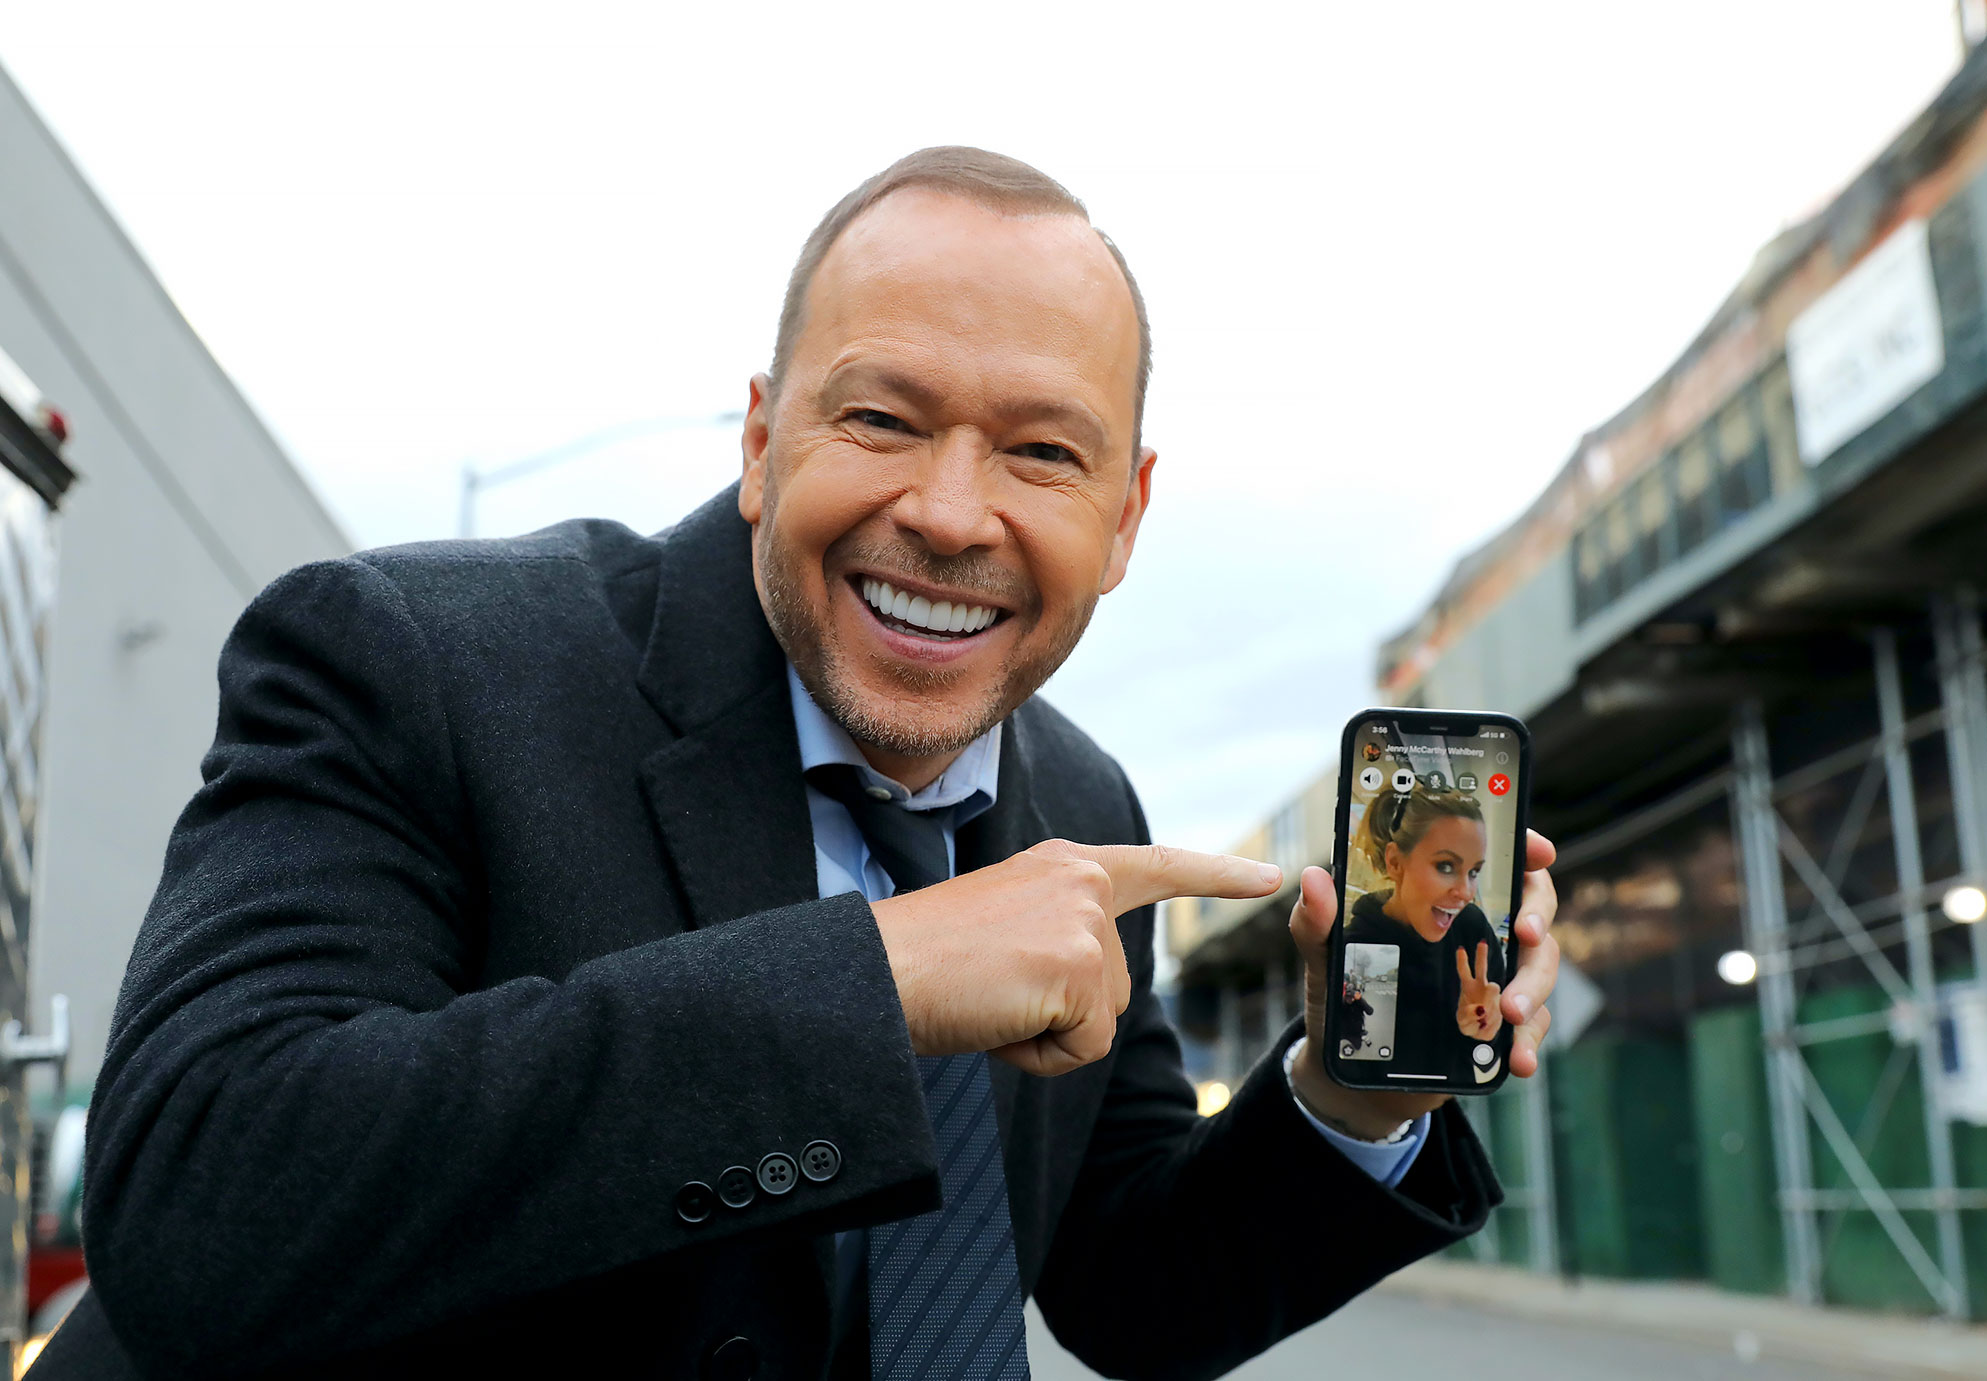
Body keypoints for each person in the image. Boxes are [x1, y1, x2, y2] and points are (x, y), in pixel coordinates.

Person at [47, 148, 1561, 1380]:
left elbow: (1133, 1295)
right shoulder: (412, 657)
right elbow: (202, 1206)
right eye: (883, 417)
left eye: (1043, 453)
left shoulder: (1084, 810)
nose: (955, 513)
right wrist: (880, 975)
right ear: (763, 439)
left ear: (1128, 513)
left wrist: (1355, 1104)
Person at [1344, 787, 1506, 1084]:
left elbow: (1487, 1067)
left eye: (1473, 872)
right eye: (1446, 866)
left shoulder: (1472, 931)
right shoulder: (1362, 948)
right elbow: (1363, 1067)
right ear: (1395, 862)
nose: (1466, 892)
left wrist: (1485, 1032)